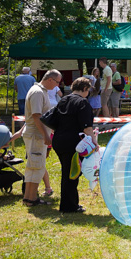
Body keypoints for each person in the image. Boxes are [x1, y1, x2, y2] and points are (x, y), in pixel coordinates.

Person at [49, 77, 98, 213]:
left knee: (68, 172)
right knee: (72, 174)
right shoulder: (82, 103)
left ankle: (70, 204)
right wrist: (95, 142)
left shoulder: (64, 100)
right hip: (74, 143)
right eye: (88, 90)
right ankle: (68, 206)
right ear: (84, 89)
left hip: (59, 140)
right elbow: (87, 128)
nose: (88, 93)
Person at [22, 69, 61, 207]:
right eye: (57, 82)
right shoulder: (38, 92)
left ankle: (29, 197)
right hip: (36, 135)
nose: (57, 86)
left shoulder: (40, 91)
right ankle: (31, 198)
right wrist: (46, 135)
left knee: (34, 166)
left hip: (36, 134)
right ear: (50, 79)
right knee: (37, 166)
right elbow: (36, 115)